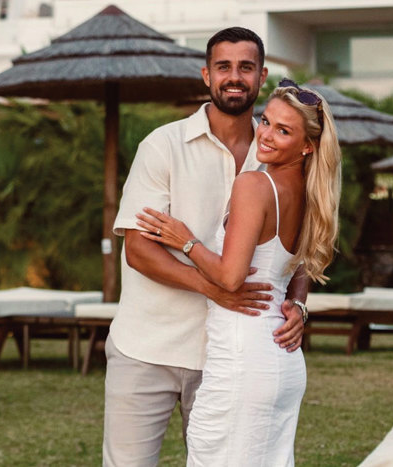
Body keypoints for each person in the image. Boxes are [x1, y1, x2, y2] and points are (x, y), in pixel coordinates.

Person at [104, 27, 309, 466]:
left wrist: (299, 304)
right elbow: (139, 250)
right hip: (149, 347)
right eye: (223, 67)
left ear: (261, 76)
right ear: (206, 75)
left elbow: (301, 249)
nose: (234, 77)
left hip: (232, 355)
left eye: (246, 67)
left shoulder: (277, 146)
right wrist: (213, 287)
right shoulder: (163, 145)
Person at [137, 80, 341, 465]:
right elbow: (297, 268)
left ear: (307, 145)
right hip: (281, 361)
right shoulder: (310, 192)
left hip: (244, 358)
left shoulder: (254, 185)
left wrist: (185, 241)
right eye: (266, 121)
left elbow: (231, 279)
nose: (265, 134)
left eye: (284, 131)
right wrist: (297, 303)